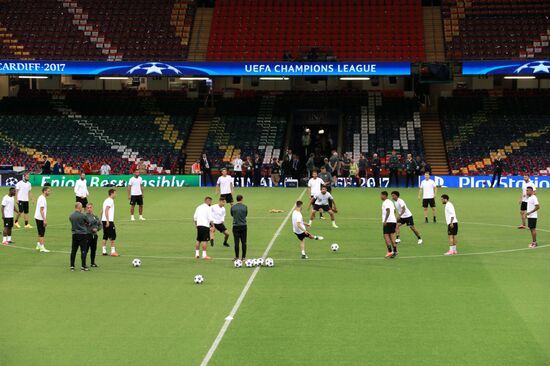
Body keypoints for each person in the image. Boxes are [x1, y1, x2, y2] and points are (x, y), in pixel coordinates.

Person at [69, 202, 89, 271]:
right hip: (83, 234)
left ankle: (72, 266)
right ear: (80, 207)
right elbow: (88, 222)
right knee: (83, 250)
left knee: (73, 250)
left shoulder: (71, 215)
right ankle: (83, 266)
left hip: (74, 234)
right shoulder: (83, 215)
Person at [101, 189, 119, 257]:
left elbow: (102, 211)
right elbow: (106, 210)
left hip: (104, 220)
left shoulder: (106, 200)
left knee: (105, 235)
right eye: (115, 193)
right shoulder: (110, 201)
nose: (115, 194)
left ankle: (104, 251)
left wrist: (102, 219)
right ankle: (113, 251)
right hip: (109, 221)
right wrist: (108, 221)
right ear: (112, 193)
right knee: (112, 236)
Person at [381, 191, 398, 258]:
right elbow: (394, 211)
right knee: (391, 236)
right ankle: (395, 251)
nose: (380, 197)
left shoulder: (385, 202)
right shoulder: (391, 202)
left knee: (386, 236)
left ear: (384, 195)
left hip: (388, 221)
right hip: (393, 221)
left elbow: (388, 210)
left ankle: (390, 251)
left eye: (381, 195)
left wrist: (385, 220)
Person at [231, 194, 248, 260]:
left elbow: (232, 215)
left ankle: (237, 257)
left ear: (236, 199)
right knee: (244, 242)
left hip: (235, 226)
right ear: (242, 199)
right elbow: (246, 214)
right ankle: (243, 257)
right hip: (243, 226)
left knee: (236, 242)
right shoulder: (245, 207)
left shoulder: (233, 207)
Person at [34, 186, 51, 253]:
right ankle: (42, 247)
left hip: (37, 217)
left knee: (39, 232)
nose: (49, 192)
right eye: (48, 191)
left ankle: (38, 245)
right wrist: (44, 220)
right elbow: (41, 210)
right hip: (40, 218)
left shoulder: (41, 197)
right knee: (42, 233)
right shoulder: (42, 199)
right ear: (44, 191)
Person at [85, 203, 101, 268]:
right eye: (88, 208)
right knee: (85, 250)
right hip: (87, 235)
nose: (89, 209)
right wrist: (92, 229)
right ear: (86, 208)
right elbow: (85, 225)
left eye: (90, 207)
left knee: (93, 249)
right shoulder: (84, 216)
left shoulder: (95, 216)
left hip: (94, 235)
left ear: (92, 208)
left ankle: (92, 263)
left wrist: (97, 229)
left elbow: (100, 225)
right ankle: (84, 263)